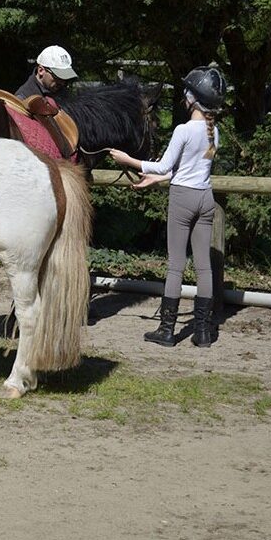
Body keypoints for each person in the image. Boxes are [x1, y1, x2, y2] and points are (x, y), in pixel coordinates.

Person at [108, 66, 226, 348]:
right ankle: (202, 333)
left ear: (192, 98)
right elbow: (189, 169)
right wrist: (156, 180)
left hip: (183, 199)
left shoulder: (184, 130)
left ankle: (167, 330)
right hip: (205, 199)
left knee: (175, 267)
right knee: (204, 269)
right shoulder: (214, 131)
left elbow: (164, 165)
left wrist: (129, 161)